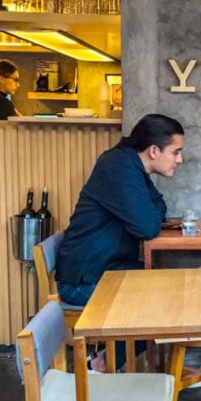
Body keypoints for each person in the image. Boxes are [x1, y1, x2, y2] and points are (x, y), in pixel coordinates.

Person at [56, 113, 183, 308]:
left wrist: (151, 213)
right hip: (84, 282)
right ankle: (130, 339)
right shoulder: (119, 167)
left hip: (109, 270)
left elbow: (159, 205)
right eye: (176, 152)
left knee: (173, 283)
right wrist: (151, 214)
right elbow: (147, 228)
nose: (180, 159)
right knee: (164, 297)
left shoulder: (131, 165)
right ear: (154, 151)